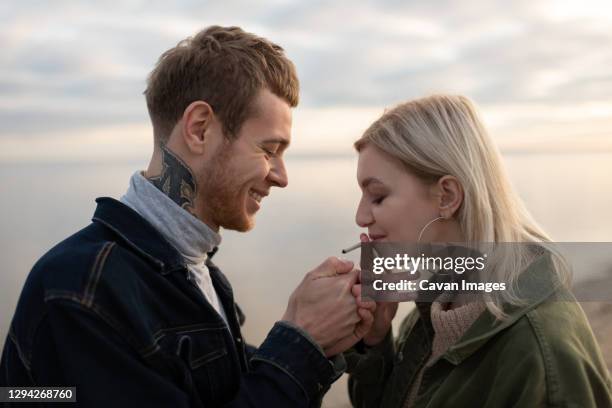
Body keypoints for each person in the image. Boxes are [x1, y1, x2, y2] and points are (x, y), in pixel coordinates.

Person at [0, 26, 375, 407]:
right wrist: (299, 339)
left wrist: (318, 335)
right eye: (269, 149)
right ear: (200, 128)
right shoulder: (79, 290)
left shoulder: (196, 272)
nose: (281, 176)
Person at [345, 94, 612, 407]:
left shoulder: (543, 355)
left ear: (447, 196)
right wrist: (376, 340)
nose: (360, 217)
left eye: (377, 197)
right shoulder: (435, 306)